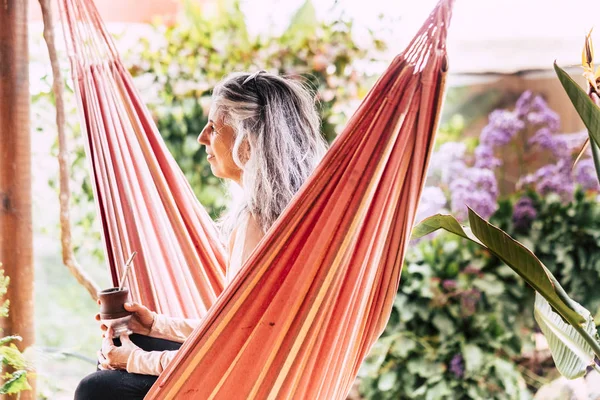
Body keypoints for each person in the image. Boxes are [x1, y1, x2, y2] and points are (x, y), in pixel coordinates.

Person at [74, 70, 329, 400]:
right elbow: (240, 328)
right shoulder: (296, 215)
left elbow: (233, 350)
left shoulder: (256, 220)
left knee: (96, 389)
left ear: (247, 139)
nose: (202, 137)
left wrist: (135, 360)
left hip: (248, 385)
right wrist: (156, 325)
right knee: (136, 343)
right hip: (275, 374)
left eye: (214, 126)